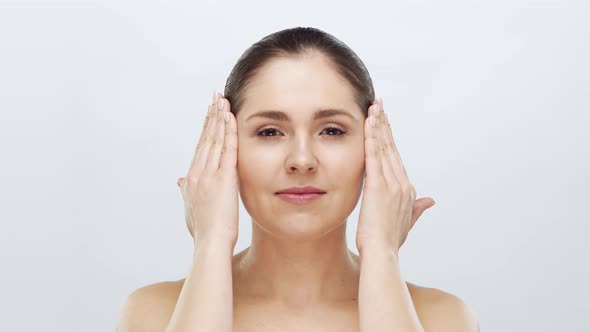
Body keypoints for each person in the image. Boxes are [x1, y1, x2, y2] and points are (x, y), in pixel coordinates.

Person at [117, 27, 479, 332]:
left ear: (373, 147)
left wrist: (381, 254)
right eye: (271, 131)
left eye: (332, 130)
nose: (302, 160)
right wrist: (211, 243)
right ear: (226, 148)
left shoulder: (439, 319)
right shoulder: (155, 314)